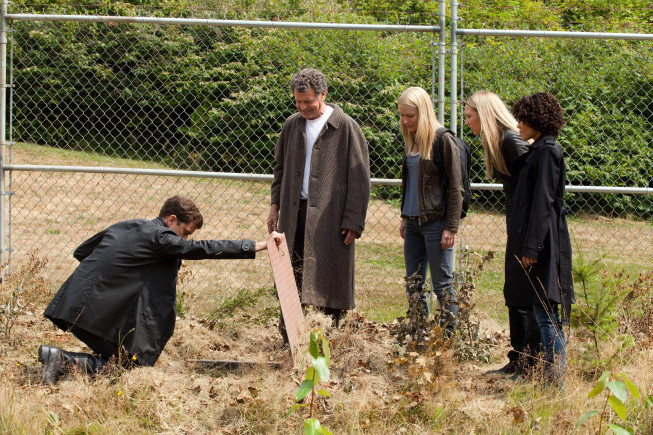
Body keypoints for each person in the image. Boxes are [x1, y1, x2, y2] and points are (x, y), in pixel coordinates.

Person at [39, 195, 283, 385]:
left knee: (126, 363)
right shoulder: (160, 237)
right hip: (90, 311)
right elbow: (200, 249)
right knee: (130, 370)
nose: (184, 240)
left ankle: (59, 359)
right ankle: (60, 360)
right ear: (171, 220)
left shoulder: (128, 225)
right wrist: (255, 245)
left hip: (72, 303)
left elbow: (82, 252)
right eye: (185, 233)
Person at [267, 68, 370, 330]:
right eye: (298, 102)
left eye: (309, 102)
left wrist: (354, 220)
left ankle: (327, 338)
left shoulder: (345, 127)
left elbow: (360, 179)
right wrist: (274, 207)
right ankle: (289, 337)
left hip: (331, 218)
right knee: (291, 275)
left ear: (323, 94)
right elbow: (280, 169)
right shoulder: (292, 125)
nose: (303, 107)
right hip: (294, 214)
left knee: (330, 278)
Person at [464, 91, 541, 376]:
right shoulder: (500, 140)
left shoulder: (510, 140)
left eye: (470, 116)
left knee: (523, 293)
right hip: (518, 226)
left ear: (483, 114)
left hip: (526, 230)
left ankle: (528, 363)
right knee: (515, 292)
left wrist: (529, 237)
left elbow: (533, 186)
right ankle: (519, 360)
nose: (468, 122)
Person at [508, 93, 574, 387]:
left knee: (547, 312)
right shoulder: (537, 150)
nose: (519, 124)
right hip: (534, 243)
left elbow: (543, 203)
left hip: (545, 244)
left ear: (539, 121)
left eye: (524, 119)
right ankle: (544, 374)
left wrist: (532, 247)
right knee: (538, 309)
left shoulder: (548, 152)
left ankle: (554, 379)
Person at [398, 86, 464, 333]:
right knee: (414, 283)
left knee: (442, 285)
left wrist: (451, 227)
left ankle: (447, 341)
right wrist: (405, 215)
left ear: (423, 112)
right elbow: (410, 182)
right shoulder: (412, 139)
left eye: (410, 116)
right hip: (413, 223)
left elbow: (456, 188)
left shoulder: (443, 139)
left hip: (437, 223)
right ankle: (419, 334)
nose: (405, 121)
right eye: (402, 115)